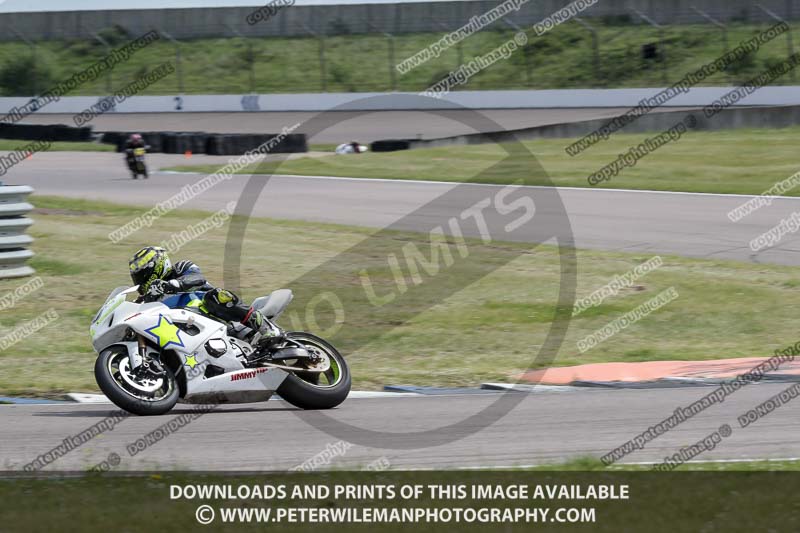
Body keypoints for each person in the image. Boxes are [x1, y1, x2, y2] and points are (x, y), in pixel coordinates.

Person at [127, 246, 283, 350]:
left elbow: (198, 279)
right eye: (136, 276)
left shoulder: (181, 268)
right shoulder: (149, 298)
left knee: (216, 296)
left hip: (218, 316)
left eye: (142, 274)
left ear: (156, 266)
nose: (139, 279)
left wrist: (172, 285)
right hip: (190, 333)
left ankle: (266, 327)